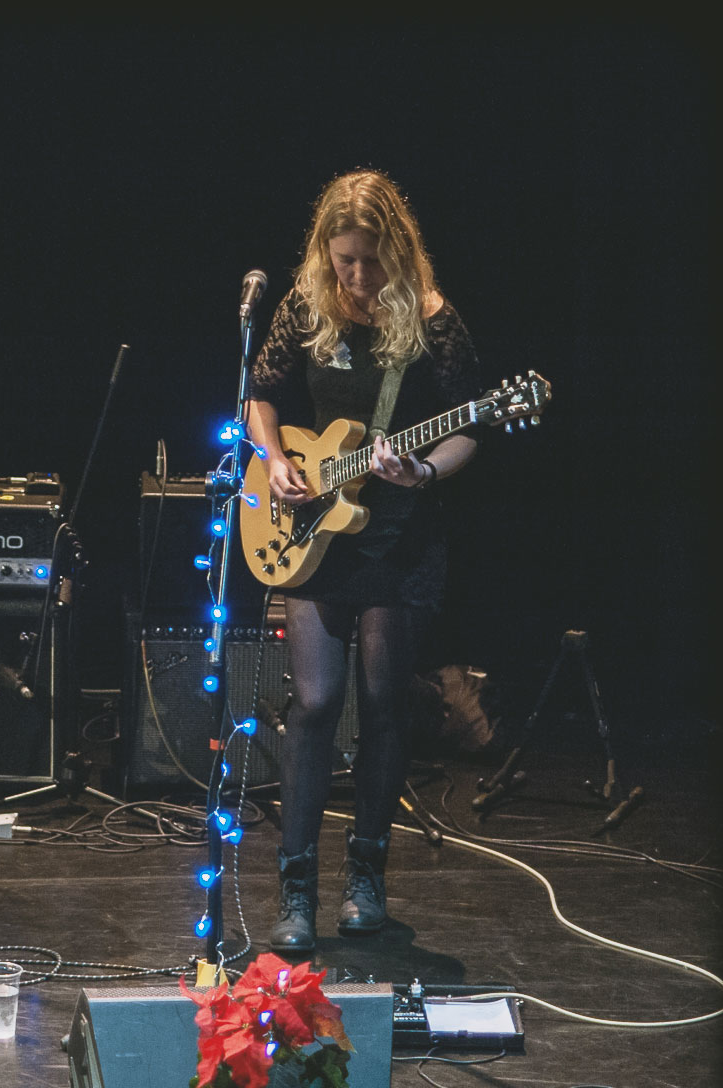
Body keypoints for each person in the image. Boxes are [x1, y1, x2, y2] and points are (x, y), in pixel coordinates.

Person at [246, 169, 482, 951]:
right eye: (344, 260)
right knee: (315, 704)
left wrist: (422, 469)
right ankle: (295, 885)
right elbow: (264, 393)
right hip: (317, 533)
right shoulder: (305, 306)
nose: (357, 276)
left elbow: (467, 429)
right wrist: (273, 458)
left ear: (397, 251)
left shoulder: (436, 323)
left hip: (399, 541)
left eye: (370, 261)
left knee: (383, 705)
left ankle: (367, 873)